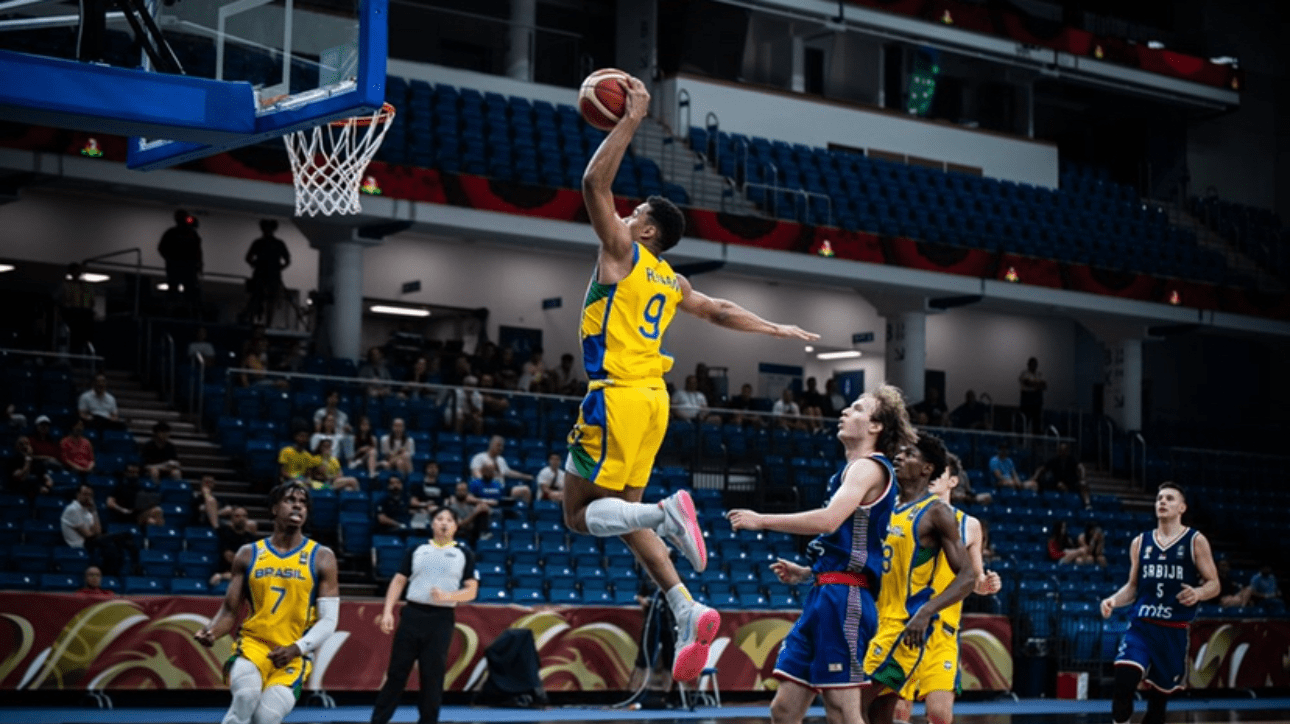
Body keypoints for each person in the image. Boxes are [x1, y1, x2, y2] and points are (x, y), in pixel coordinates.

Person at [561, 72, 818, 684]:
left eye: (635, 213)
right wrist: (776, 329)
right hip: (654, 402)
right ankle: (687, 606)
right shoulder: (671, 281)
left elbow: (593, 181)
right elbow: (720, 310)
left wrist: (630, 121)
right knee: (620, 514)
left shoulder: (621, 253)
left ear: (645, 231)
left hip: (616, 396)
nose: (624, 214)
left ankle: (667, 513)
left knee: (577, 515)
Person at [725, 387, 915, 724]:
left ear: (876, 427)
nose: (845, 412)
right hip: (825, 592)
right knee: (783, 710)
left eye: (857, 408)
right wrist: (808, 572)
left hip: (846, 599)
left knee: (842, 711)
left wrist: (762, 519)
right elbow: (846, 539)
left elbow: (829, 521)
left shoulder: (869, 468)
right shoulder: (848, 473)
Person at [195, 482, 340, 724]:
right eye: (290, 500)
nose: (297, 506)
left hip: (294, 653)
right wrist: (212, 631)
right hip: (254, 645)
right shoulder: (248, 554)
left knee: (267, 717)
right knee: (246, 697)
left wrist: (297, 648)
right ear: (274, 509)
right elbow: (230, 611)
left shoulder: (322, 557)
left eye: (303, 503)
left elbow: (329, 620)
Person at [860, 433, 977, 724]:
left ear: (927, 469)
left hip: (903, 628)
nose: (899, 457)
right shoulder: (886, 508)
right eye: (899, 453)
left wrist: (926, 611)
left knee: (848, 705)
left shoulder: (937, 513)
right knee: (878, 717)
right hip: (876, 622)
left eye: (909, 454)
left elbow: (968, 577)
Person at [891, 452, 1003, 724]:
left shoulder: (970, 525)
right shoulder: (902, 513)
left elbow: (974, 580)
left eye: (938, 473)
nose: (930, 477)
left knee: (940, 715)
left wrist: (986, 585)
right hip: (903, 625)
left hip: (942, 632)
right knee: (897, 712)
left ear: (953, 481)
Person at [1100, 482, 1219, 724]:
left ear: (1182, 507)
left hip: (1173, 632)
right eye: (1159, 498)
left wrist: (1198, 593)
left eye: (1169, 499)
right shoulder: (1140, 543)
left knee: (1157, 706)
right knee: (1123, 682)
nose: (1162, 502)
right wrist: (1113, 600)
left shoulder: (1195, 540)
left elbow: (1214, 583)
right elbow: (1133, 587)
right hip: (1142, 627)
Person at [370, 507, 478, 724]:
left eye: (449, 519)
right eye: (439, 519)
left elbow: (472, 591)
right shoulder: (416, 549)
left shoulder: (464, 554)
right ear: (432, 524)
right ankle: (378, 720)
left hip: (441, 620)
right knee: (396, 674)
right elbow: (399, 581)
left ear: (456, 526)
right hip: (412, 615)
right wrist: (387, 611)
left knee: (432, 678)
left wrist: (448, 595)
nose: (444, 523)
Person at [62, 483, 135, 577]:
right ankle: (110, 573)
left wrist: (93, 510)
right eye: (85, 494)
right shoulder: (72, 509)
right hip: (80, 543)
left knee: (122, 540)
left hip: (91, 541)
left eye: (90, 495)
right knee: (117, 540)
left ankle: (124, 570)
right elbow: (89, 535)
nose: (88, 497)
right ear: (78, 495)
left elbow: (97, 531)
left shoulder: (87, 511)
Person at [244, 219, 291, 326]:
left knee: (269, 301)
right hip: (262, 275)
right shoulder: (260, 243)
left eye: (269, 228)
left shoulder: (276, 243)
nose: (267, 231)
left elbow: (287, 261)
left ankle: (267, 324)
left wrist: (277, 269)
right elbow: (248, 258)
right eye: (266, 228)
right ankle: (253, 321)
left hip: (270, 276)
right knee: (257, 299)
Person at [158, 209, 203, 318]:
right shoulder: (171, 233)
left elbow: (198, 250)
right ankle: (169, 313)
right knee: (173, 290)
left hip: (189, 267)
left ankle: (192, 313)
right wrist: (170, 259)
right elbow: (162, 248)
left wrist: (199, 264)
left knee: (191, 291)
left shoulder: (192, 234)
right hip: (176, 266)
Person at [468, 435, 533, 502]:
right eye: (498, 445)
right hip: (485, 489)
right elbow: (476, 474)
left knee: (526, 490)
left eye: (502, 446)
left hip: (502, 489)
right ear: (491, 444)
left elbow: (509, 472)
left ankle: (523, 511)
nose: (500, 448)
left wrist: (526, 476)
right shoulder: (479, 457)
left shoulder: (501, 459)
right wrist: (491, 481)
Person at [1030, 442, 1089, 507]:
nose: (1062, 452)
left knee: (1083, 484)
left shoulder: (1072, 460)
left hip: (1071, 483)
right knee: (1042, 484)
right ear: (1058, 451)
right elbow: (1041, 468)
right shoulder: (1054, 460)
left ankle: (1087, 504)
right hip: (1057, 483)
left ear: (1067, 451)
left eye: (1064, 450)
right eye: (1061, 450)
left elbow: (1081, 467)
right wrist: (1034, 477)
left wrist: (1082, 478)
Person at [211, 506, 258, 587]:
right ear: (231, 519)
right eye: (237, 516)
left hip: (243, 573)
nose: (241, 519)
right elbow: (229, 558)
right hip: (225, 570)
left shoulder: (251, 538)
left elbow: (254, 559)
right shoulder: (225, 533)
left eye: (244, 516)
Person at [60, 262, 96, 355]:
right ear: (70, 272)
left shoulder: (87, 286)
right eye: (74, 271)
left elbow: (92, 301)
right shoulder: (66, 285)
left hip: (86, 315)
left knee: (86, 337)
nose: (76, 273)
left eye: (78, 271)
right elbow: (61, 300)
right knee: (73, 338)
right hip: (72, 314)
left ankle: (85, 355)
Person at [1018, 357, 1046, 435]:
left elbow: (1044, 385)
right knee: (1024, 422)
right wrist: (1037, 385)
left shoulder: (1039, 374)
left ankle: (1036, 443)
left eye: (1035, 364)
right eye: (1032, 364)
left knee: (1037, 424)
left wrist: (1034, 384)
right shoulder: (1024, 374)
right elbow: (1027, 383)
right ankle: (1021, 442)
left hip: (1037, 402)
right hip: (1027, 401)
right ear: (1028, 365)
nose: (1034, 365)